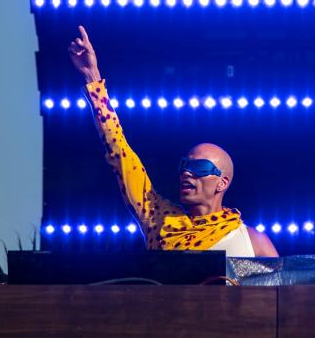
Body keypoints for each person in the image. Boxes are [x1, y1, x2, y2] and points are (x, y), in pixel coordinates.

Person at [69, 25, 278, 257]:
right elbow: (120, 154)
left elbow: (284, 292)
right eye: (184, 166)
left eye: (199, 167)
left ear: (222, 182)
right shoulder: (160, 219)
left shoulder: (253, 242)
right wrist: (93, 78)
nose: (186, 173)